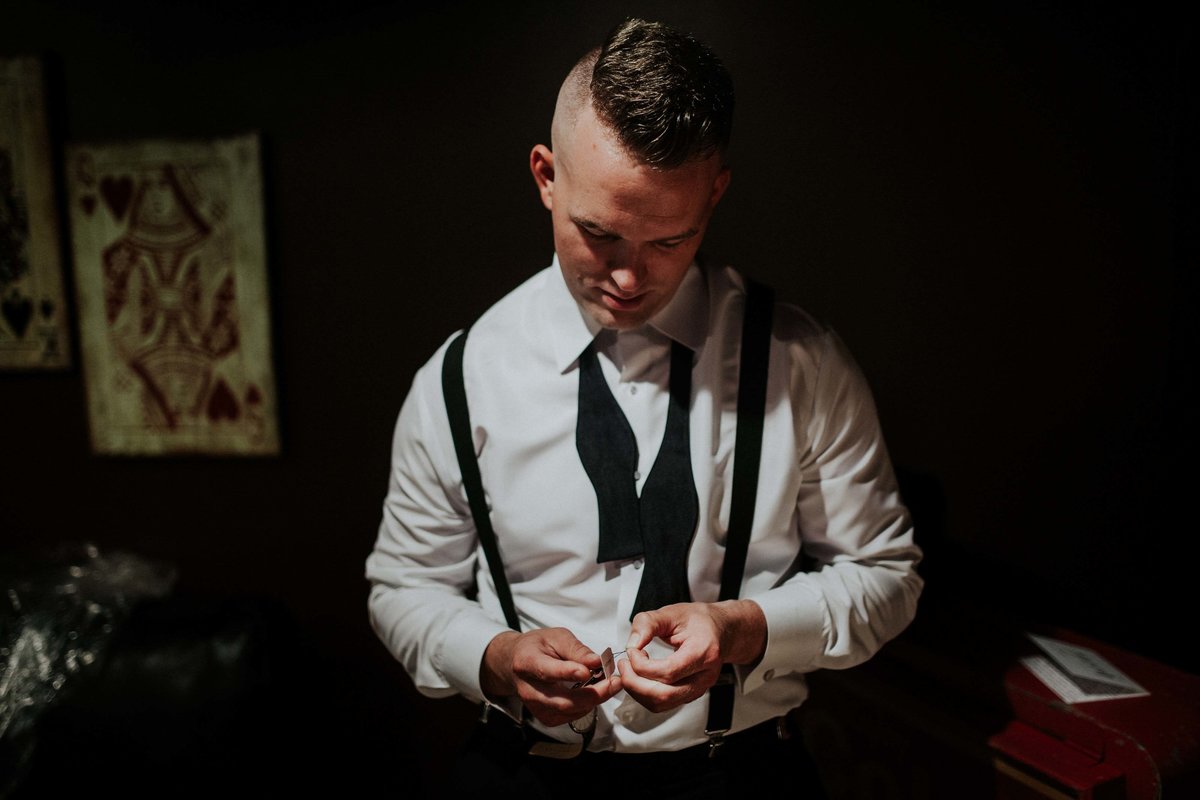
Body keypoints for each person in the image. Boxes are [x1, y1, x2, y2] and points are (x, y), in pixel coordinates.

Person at [366, 17, 923, 799]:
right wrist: (490, 656)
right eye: (600, 235)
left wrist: (745, 631)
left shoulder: (802, 361)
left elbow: (886, 576)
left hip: (741, 776)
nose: (629, 277)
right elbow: (401, 587)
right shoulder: (460, 379)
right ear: (545, 176)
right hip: (524, 775)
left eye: (668, 240)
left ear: (716, 191)